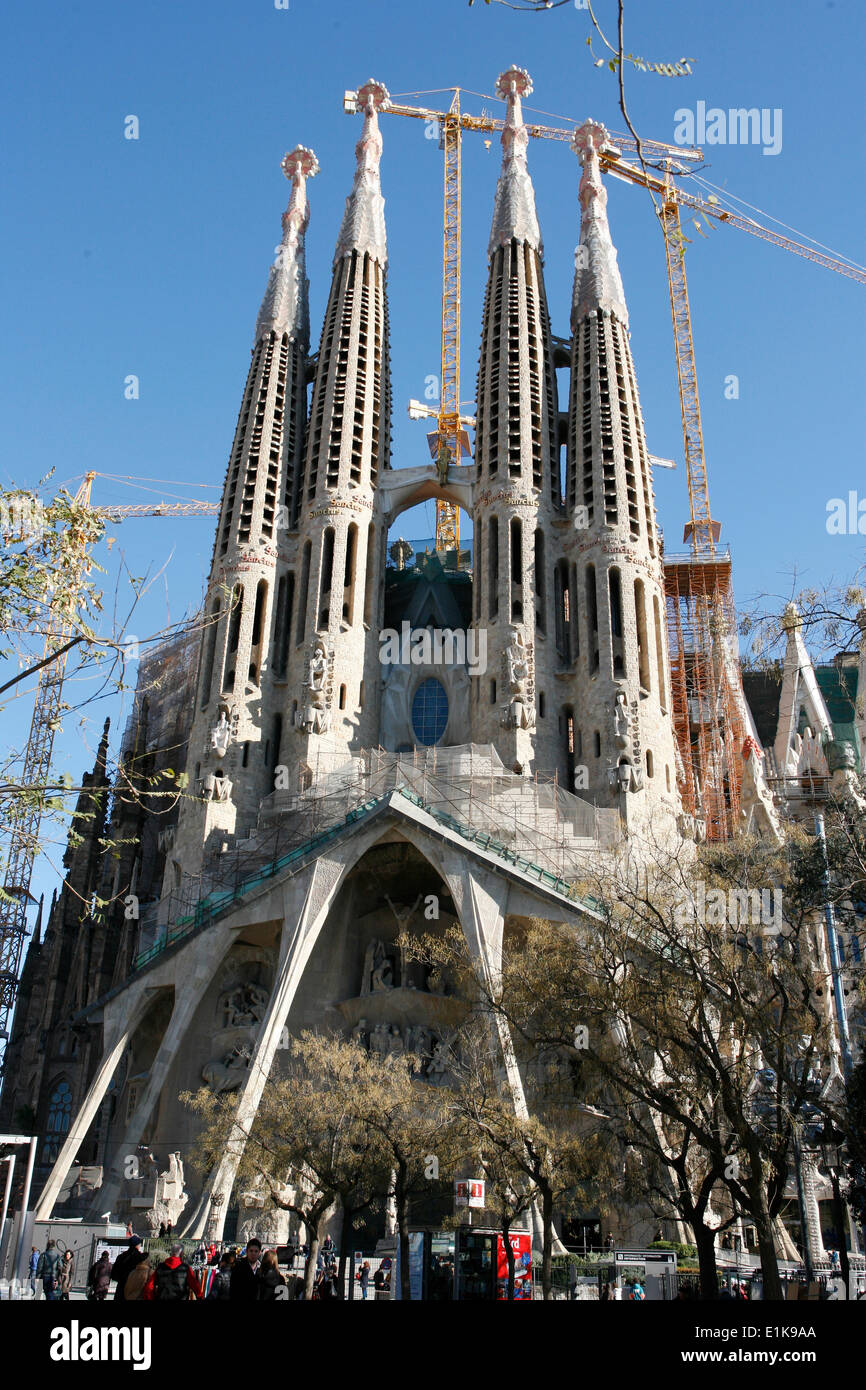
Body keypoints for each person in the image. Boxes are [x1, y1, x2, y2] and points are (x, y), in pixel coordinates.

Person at [111, 1234, 145, 1299]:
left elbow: (114, 1274)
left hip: (121, 1287)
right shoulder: (140, 1258)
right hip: (134, 1289)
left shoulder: (121, 1257)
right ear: (137, 1245)